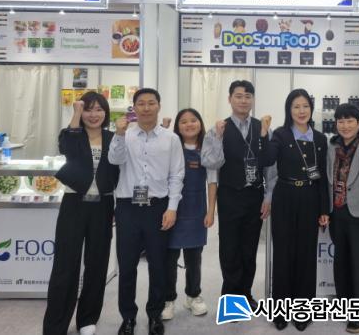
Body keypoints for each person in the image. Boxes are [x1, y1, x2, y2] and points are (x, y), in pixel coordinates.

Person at [108, 88, 185, 335]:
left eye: (151, 103)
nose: (146, 108)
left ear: (159, 106)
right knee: (127, 265)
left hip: (158, 208)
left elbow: (177, 175)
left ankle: (154, 315)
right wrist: (119, 134)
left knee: (158, 265)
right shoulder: (125, 135)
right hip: (128, 208)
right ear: (134, 108)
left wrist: (172, 208)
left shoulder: (171, 139)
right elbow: (114, 160)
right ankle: (128, 317)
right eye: (141, 103)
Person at [43, 93, 119, 335]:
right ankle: (56, 324)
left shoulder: (113, 138)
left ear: (106, 112)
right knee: (65, 264)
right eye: (88, 109)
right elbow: (68, 149)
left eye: (99, 109)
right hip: (74, 203)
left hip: (103, 205)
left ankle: (87, 319)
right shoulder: (71, 134)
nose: (93, 114)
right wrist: (75, 111)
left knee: (97, 263)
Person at [200, 80, 272, 309]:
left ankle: (246, 293)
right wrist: (218, 138)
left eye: (248, 96)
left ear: (253, 100)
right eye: (238, 96)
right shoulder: (218, 128)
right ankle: (231, 299)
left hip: (254, 196)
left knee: (249, 249)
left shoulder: (262, 128)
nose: (243, 100)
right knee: (229, 249)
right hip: (229, 196)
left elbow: (270, 166)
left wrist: (268, 196)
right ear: (229, 99)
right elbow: (211, 164)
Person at [262, 88, 329, 332]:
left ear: (311, 109)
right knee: (283, 254)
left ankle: (302, 310)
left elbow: (322, 176)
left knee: (306, 255)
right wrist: (263, 134)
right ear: (289, 110)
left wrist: (324, 209)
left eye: (305, 106)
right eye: (296, 107)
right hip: (285, 197)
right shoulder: (280, 134)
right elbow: (267, 160)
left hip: (310, 197)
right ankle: (281, 310)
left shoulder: (320, 139)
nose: (301, 111)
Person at [327, 103, 359, 333]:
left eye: (350, 121)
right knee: (341, 261)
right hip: (336, 211)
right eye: (341, 121)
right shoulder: (331, 147)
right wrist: (325, 210)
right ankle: (344, 305)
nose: (345, 126)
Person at [162, 108, 217, 321]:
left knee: (194, 258)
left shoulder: (206, 149)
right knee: (169, 258)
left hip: (196, 209)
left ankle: (193, 296)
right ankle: (168, 299)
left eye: (193, 120)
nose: (189, 124)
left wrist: (211, 211)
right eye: (183, 121)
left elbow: (212, 182)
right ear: (178, 126)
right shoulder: (171, 145)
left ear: (200, 124)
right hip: (172, 209)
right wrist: (163, 128)